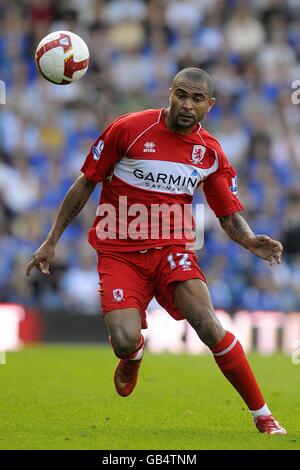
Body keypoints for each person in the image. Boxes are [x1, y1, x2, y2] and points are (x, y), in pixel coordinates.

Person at [26, 67, 286, 435]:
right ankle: (132, 355)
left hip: (172, 249)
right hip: (119, 251)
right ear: (170, 93)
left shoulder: (209, 153)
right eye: (181, 94)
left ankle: (263, 415)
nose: (187, 104)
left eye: (197, 99)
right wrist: (51, 240)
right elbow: (87, 182)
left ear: (209, 105)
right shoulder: (129, 129)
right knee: (124, 338)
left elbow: (228, 214)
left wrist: (248, 239)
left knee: (209, 325)